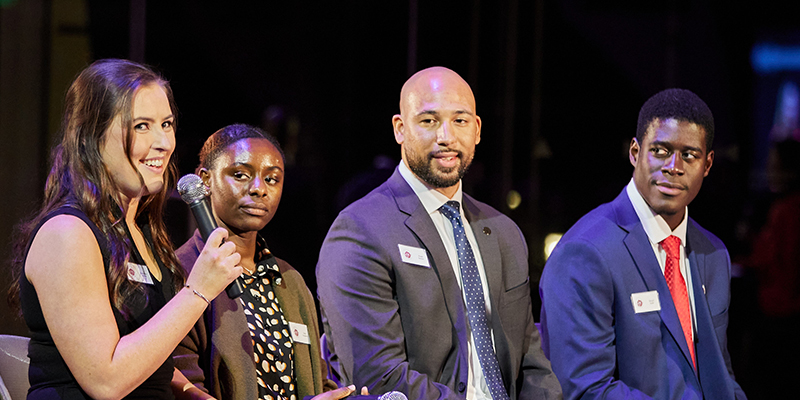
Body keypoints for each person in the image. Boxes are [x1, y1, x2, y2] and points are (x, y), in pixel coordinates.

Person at [316, 66, 561, 400]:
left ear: (476, 130)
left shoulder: (503, 232)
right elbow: (380, 375)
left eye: (459, 121)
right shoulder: (360, 231)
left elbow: (529, 358)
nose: (446, 136)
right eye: (429, 121)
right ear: (400, 129)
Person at [6, 59, 242, 399]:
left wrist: (189, 390)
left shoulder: (139, 230)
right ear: (92, 135)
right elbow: (106, 380)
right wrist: (197, 291)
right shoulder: (67, 235)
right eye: (142, 126)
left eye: (167, 124)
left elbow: (142, 350)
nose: (163, 142)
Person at [539, 88, 746, 399]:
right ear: (635, 153)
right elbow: (585, 389)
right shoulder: (585, 251)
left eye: (689, 155)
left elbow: (720, 374)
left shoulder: (713, 253)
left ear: (707, 164)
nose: (674, 166)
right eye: (660, 150)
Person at [171, 124, 358, 400]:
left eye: (271, 179)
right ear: (204, 180)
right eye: (240, 175)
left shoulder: (289, 279)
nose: (259, 189)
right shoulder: (180, 272)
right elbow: (182, 386)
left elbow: (316, 382)